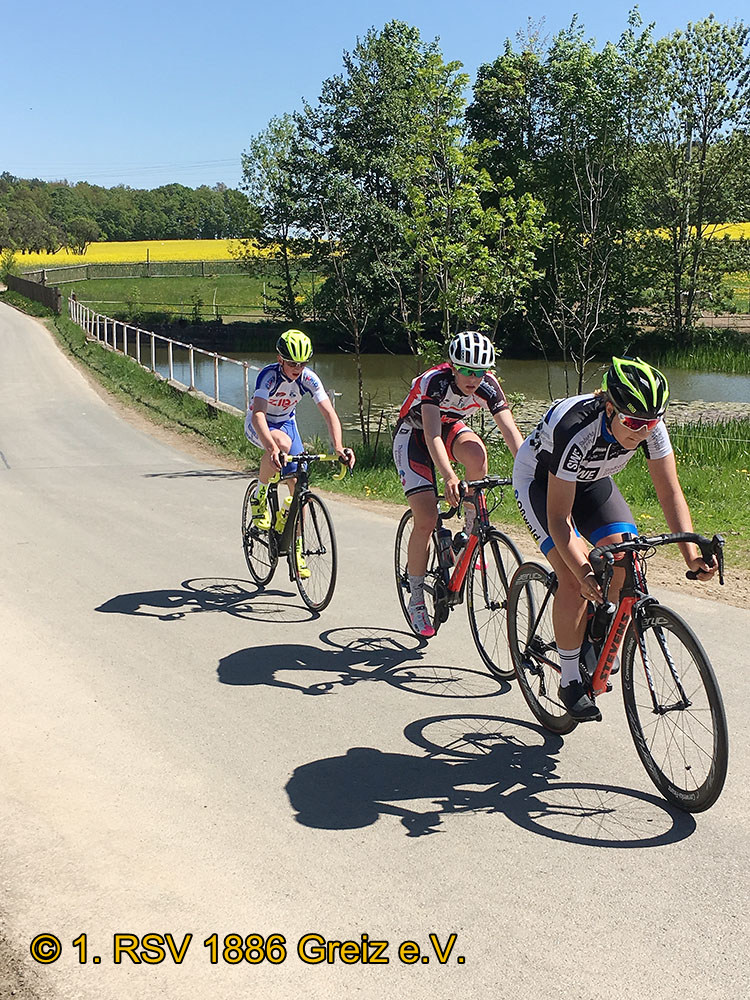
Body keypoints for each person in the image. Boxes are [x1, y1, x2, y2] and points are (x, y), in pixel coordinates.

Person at [513, 356, 717, 721]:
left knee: (627, 556)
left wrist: (689, 555)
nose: (642, 431)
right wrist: (581, 570)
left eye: (651, 422)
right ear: (610, 407)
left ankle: (594, 628)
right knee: (574, 581)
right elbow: (559, 519)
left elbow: (670, 494)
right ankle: (571, 678)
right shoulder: (576, 428)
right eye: (634, 421)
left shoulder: (652, 428)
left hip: (592, 483)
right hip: (542, 483)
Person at [393, 330, 524, 638]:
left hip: (450, 427)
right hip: (414, 436)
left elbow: (510, 432)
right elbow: (431, 435)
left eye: (480, 371)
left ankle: (469, 535)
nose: (473, 378)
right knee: (426, 518)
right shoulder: (434, 382)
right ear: (452, 366)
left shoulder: (488, 386)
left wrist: (528, 470)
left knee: (477, 454)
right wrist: (450, 476)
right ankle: (415, 600)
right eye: (466, 370)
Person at [245, 329, 355, 574]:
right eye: (293, 363)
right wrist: (271, 447)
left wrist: (338, 447)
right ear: (280, 359)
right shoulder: (268, 376)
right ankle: (259, 496)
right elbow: (259, 414)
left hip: (286, 423)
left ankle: (296, 546)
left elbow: (329, 413)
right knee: (281, 445)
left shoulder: (309, 378)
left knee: (299, 485)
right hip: (260, 424)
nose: (298, 367)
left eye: (303, 363)